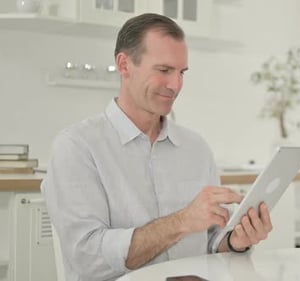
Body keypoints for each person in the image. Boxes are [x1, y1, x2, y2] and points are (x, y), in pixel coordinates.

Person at [42, 13, 273, 281]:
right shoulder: (77, 147)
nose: (175, 85)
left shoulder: (196, 148)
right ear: (124, 64)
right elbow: (87, 259)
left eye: (181, 72)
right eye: (164, 70)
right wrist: (182, 222)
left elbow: (210, 242)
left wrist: (235, 240)